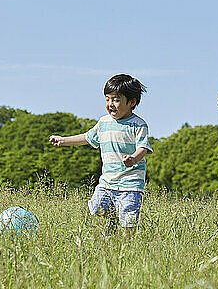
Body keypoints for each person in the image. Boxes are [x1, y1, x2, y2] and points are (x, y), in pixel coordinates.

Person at [49, 74, 152, 237]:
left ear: (132, 102)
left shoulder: (138, 124)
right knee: (97, 207)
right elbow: (86, 137)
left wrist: (133, 158)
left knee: (128, 220)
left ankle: (128, 247)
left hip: (130, 182)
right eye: (107, 99)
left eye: (116, 100)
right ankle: (112, 221)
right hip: (107, 181)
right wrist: (63, 141)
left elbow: (143, 148)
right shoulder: (103, 122)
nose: (111, 104)